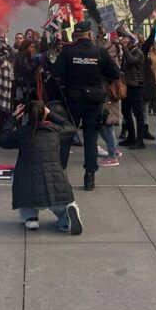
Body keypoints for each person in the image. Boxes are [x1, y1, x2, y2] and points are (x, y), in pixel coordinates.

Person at [52, 19, 121, 192]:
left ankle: (60, 175)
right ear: (89, 34)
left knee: (66, 136)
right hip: (94, 101)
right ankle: (90, 177)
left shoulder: (68, 51)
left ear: (76, 35)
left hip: (72, 100)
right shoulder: (99, 52)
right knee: (91, 140)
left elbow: (56, 73)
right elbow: (115, 73)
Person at [0, 99, 83, 235]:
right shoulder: (54, 131)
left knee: (18, 178)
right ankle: (66, 216)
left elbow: (2, 140)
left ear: (27, 115)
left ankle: (31, 218)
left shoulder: (23, 133)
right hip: (56, 184)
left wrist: (13, 119)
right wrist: (51, 114)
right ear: (44, 114)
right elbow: (71, 128)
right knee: (62, 207)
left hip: (29, 187)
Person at [120, 34, 149, 149]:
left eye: (127, 41)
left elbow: (131, 61)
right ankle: (131, 137)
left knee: (138, 113)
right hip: (128, 85)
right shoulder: (129, 51)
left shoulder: (138, 52)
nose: (125, 42)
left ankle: (140, 140)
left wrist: (125, 48)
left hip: (136, 86)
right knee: (125, 110)